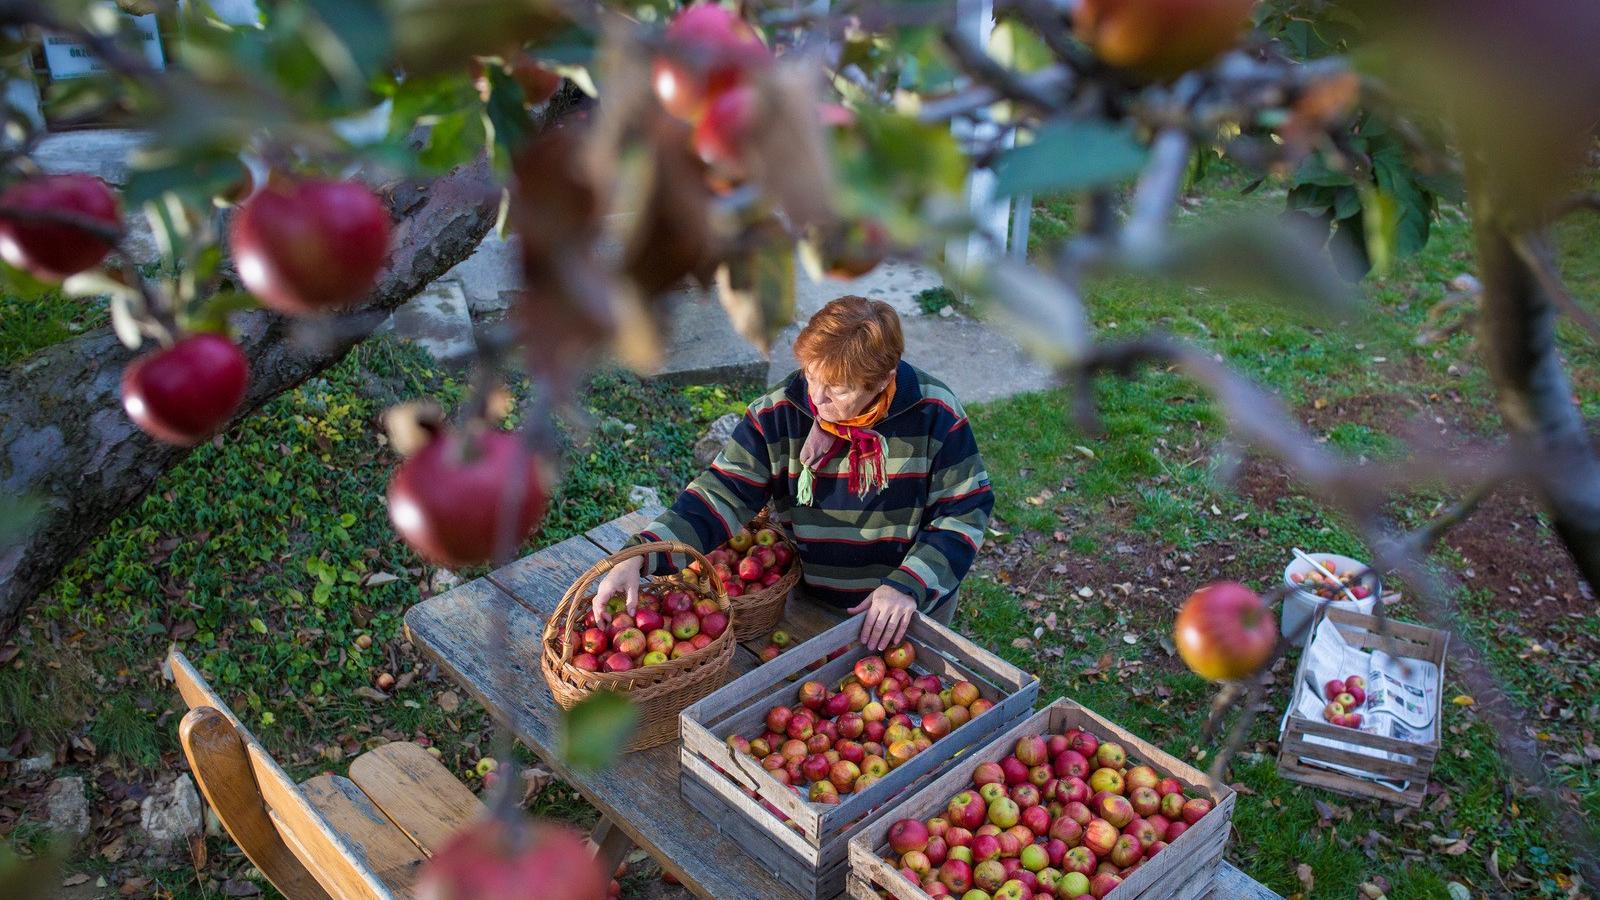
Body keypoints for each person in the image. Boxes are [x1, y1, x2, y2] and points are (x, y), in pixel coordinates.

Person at [591, 296, 994, 650]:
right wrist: (639, 555)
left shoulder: (934, 414)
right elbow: (722, 493)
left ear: (883, 380)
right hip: (814, 604)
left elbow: (964, 509)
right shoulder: (781, 412)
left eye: (836, 388)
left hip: (907, 609)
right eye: (811, 375)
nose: (816, 398)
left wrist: (911, 585)